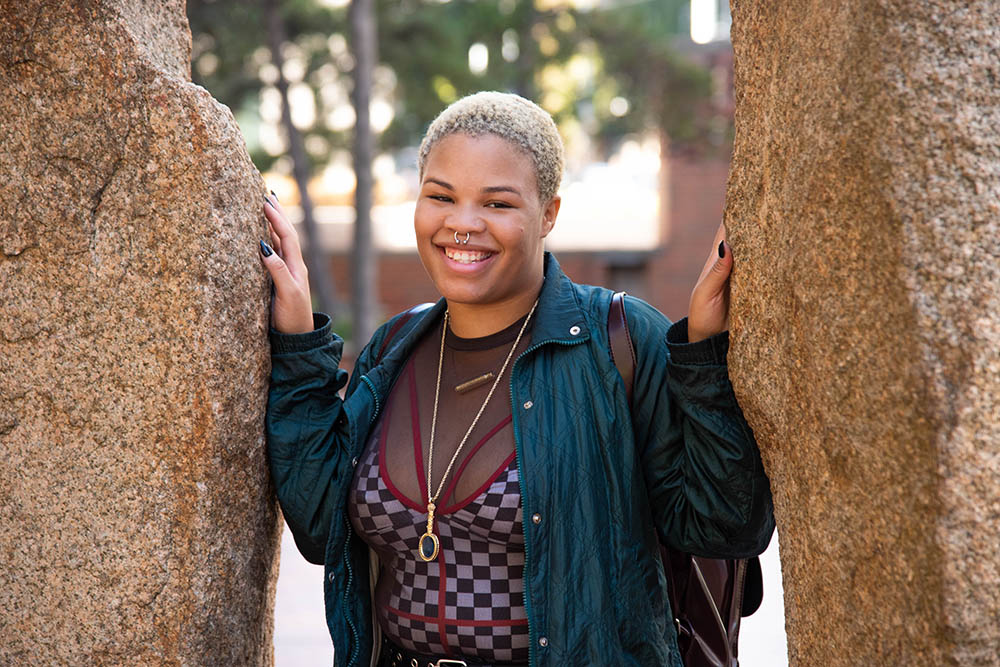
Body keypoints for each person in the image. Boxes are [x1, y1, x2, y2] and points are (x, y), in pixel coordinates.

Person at [259, 91, 774, 667]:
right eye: (440, 196)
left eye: (498, 204)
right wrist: (299, 341)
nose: (463, 224)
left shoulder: (619, 343)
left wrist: (703, 353)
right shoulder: (394, 348)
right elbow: (319, 528)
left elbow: (725, 525)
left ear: (549, 213)